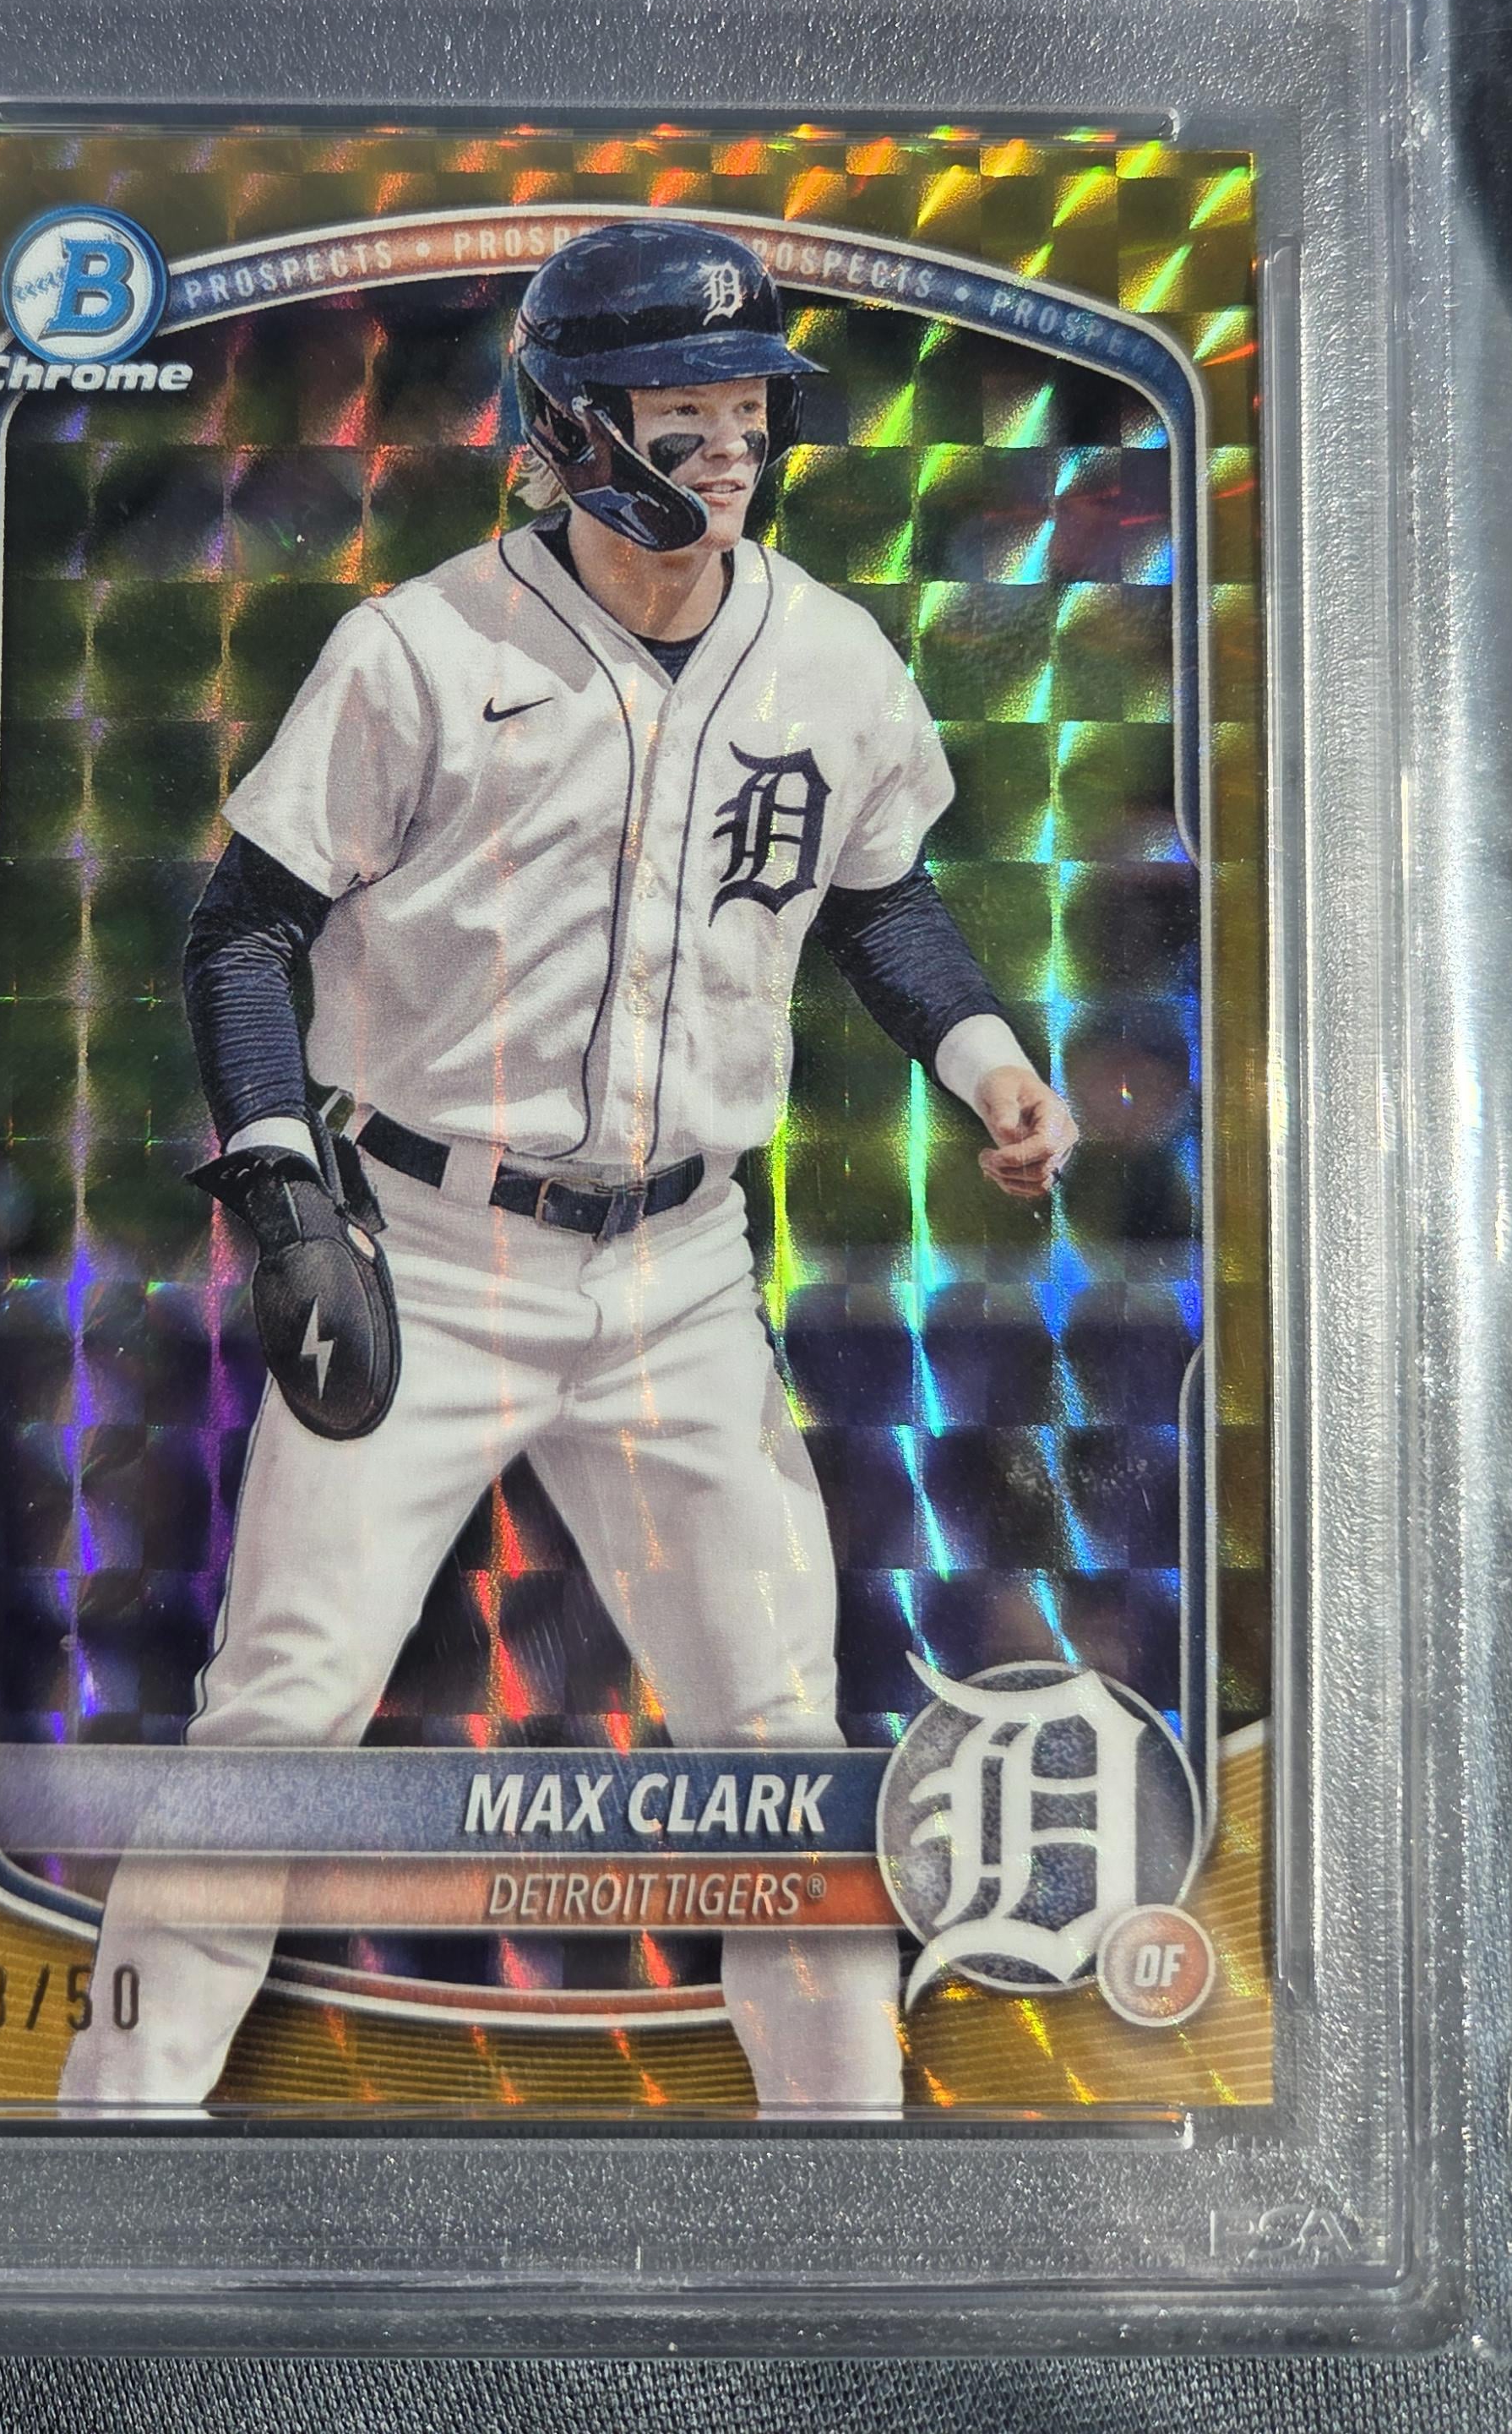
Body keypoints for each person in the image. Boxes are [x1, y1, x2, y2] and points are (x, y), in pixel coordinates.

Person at [58, 220, 1076, 2113]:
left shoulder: (828, 654)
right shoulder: (421, 647)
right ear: (571, 428)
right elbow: (245, 928)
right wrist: (282, 1186)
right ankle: (107, 2138)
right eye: (678, 414)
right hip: (432, 1247)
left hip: (681, 1274)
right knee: (279, 1716)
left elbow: (883, 898)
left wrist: (987, 1057)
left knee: (781, 1745)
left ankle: (850, 2176)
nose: (726, 448)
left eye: (746, 409)